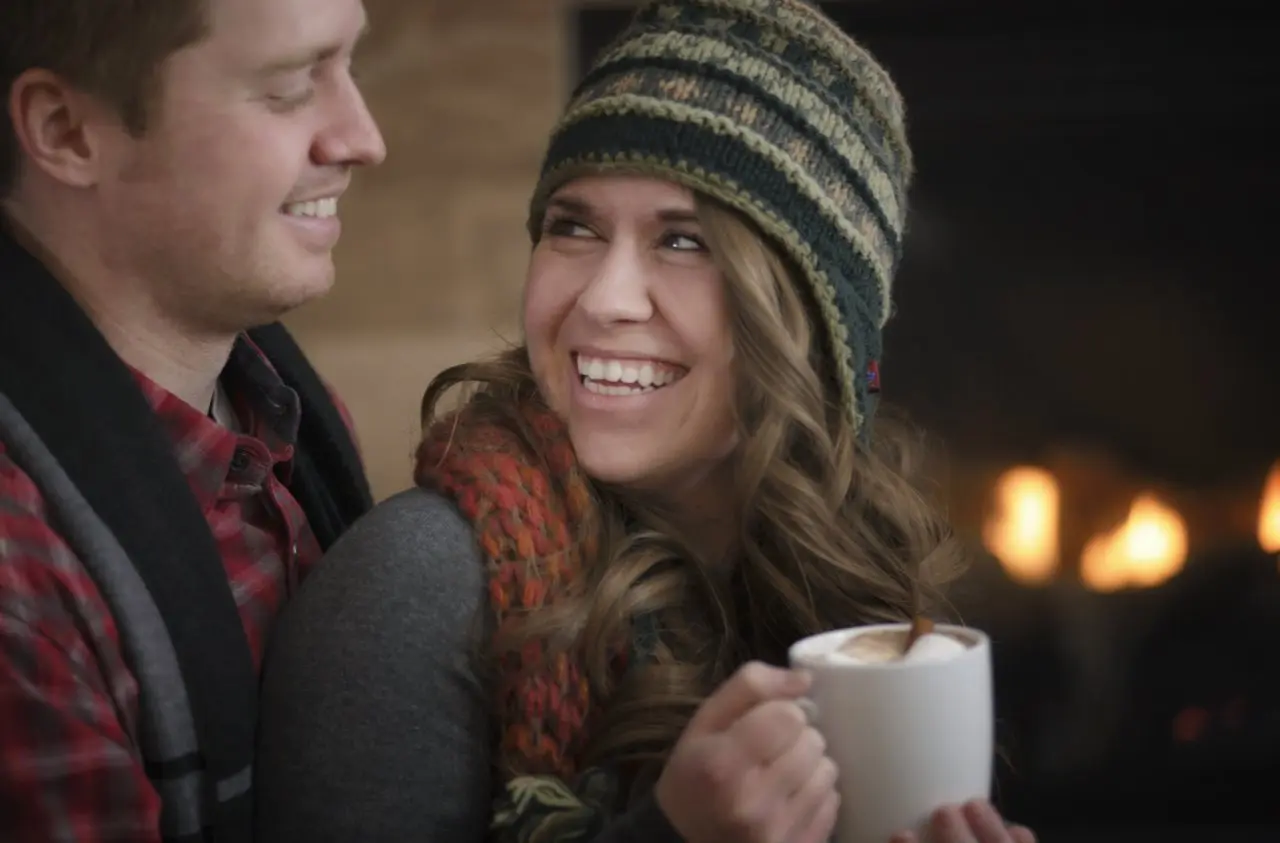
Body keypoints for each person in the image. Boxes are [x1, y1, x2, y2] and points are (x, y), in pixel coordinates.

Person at [255, 1, 1033, 841]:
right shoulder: (415, 590)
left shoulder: (852, 591)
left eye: (685, 241)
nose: (603, 298)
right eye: (574, 227)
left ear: (813, 320)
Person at [0, 0, 385, 840]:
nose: (362, 138)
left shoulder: (289, 413)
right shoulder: (17, 572)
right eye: (289, 89)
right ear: (66, 130)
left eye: (350, 66)